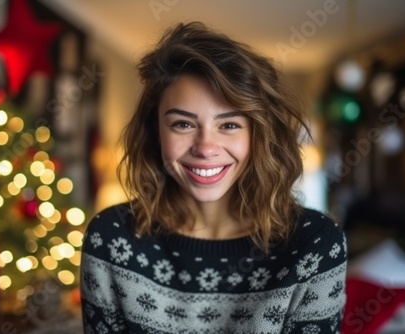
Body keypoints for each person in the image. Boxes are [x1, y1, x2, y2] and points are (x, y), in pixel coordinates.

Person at [81, 22, 347, 333]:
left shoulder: (315, 244)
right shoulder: (111, 239)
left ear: (258, 134)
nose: (206, 148)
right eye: (182, 124)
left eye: (229, 125)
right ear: (156, 131)